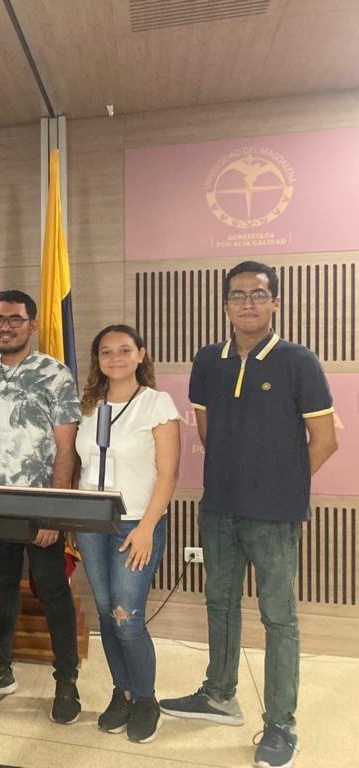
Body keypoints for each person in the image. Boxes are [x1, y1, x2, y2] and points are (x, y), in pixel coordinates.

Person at [159, 261, 337, 768]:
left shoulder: (299, 361)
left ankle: (281, 724)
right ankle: (219, 694)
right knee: (219, 602)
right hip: (219, 507)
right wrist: (235, 476)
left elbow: (325, 441)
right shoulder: (207, 361)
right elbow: (208, 429)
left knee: (279, 618)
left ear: (276, 302)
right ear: (225, 304)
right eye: (238, 295)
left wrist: (280, 483)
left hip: (275, 515)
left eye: (258, 294)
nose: (248, 303)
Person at [0, 289, 83, 724]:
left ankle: (66, 682)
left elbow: (66, 448)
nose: (5, 326)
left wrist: (53, 511)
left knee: (53, 593)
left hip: (40, 509)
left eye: (15, 319)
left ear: (32, 325)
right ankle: (0, 670)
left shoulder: (55, 374)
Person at [74, 325, 180, 743]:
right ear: (97, 360)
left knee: (127, 617)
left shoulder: (157, 403)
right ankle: (124, 691)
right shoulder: (89, 405)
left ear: (141, 354)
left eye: (124, 350)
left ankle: (147, 700)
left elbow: (169, 473)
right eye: (105, 352)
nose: (114, 358)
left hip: (137, 522)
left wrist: (148, 527)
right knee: (104, 611)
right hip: (92, 523)